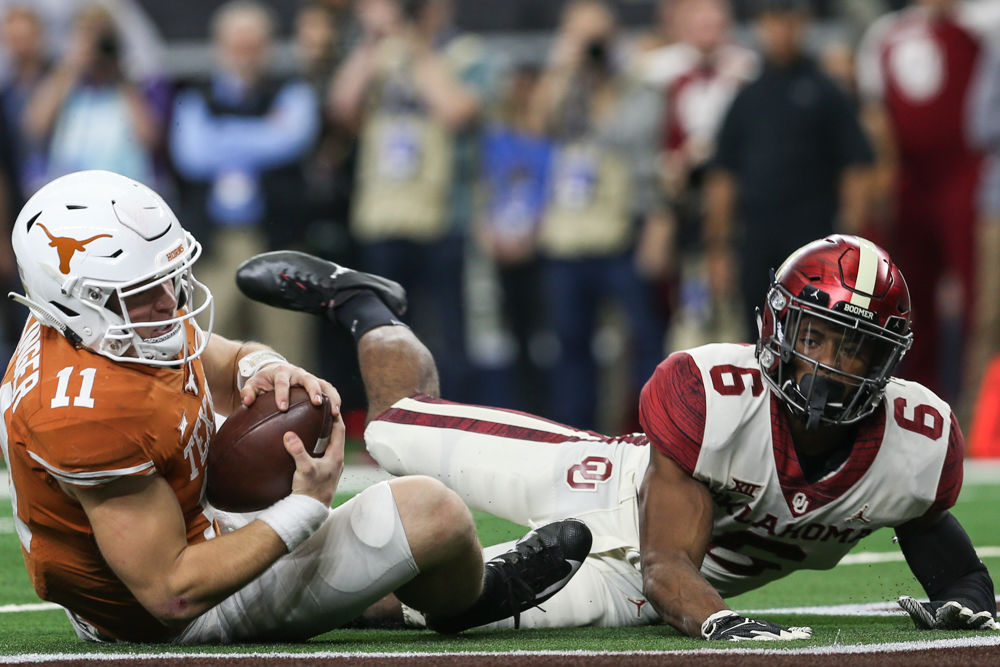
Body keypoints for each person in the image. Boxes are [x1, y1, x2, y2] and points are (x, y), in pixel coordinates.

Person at [236, 234, 997, 639]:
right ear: (777, 327)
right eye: (820, 336)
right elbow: (670, 560)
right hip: (602, 482)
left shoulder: (917, 438)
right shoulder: (715, 392)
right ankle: (364, 302)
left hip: (628, 585)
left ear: (890, 357)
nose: (833, 364)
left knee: (393, 601)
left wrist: (967, 593)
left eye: (857, 347)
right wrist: (719, 622)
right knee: (399, 426)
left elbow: (925, 520)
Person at [0, 169, 591, 643]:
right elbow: (170, 591)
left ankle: (368, 594)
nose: (168, 301)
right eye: (142, 294)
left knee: (313, 425)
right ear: (80, 301)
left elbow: (224, 359)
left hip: (178, 521)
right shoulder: (87, 411)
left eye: (170, 277)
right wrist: (303, 510)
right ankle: (479, 597)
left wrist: (265, 367)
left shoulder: (93, 321)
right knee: (433, 511)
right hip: (164, 613)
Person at [704, 0, 874, 338]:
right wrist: (719, 248)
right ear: (761, 26)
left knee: (815, 331)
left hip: (813, 235)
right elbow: (723, 176)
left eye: (788, 20)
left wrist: (853, 242)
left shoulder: (827, 92)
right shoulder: (747, 97)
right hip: (756, 235)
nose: (780, 30)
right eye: (772, 21)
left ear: (803, 25)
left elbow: (855, 166)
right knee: (756, 331)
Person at [169, 0, 321, 372]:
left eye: (253, 45)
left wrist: (220, 138)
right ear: (220, 46)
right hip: (216, 244)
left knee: (288, 350)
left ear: (268, 46)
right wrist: (264, 134)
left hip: (278, 242)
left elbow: (292, 141)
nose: (245, 54)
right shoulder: (194, 97)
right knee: (210, 351)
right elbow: (192, 156)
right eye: (237, 45)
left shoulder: (294, 92)